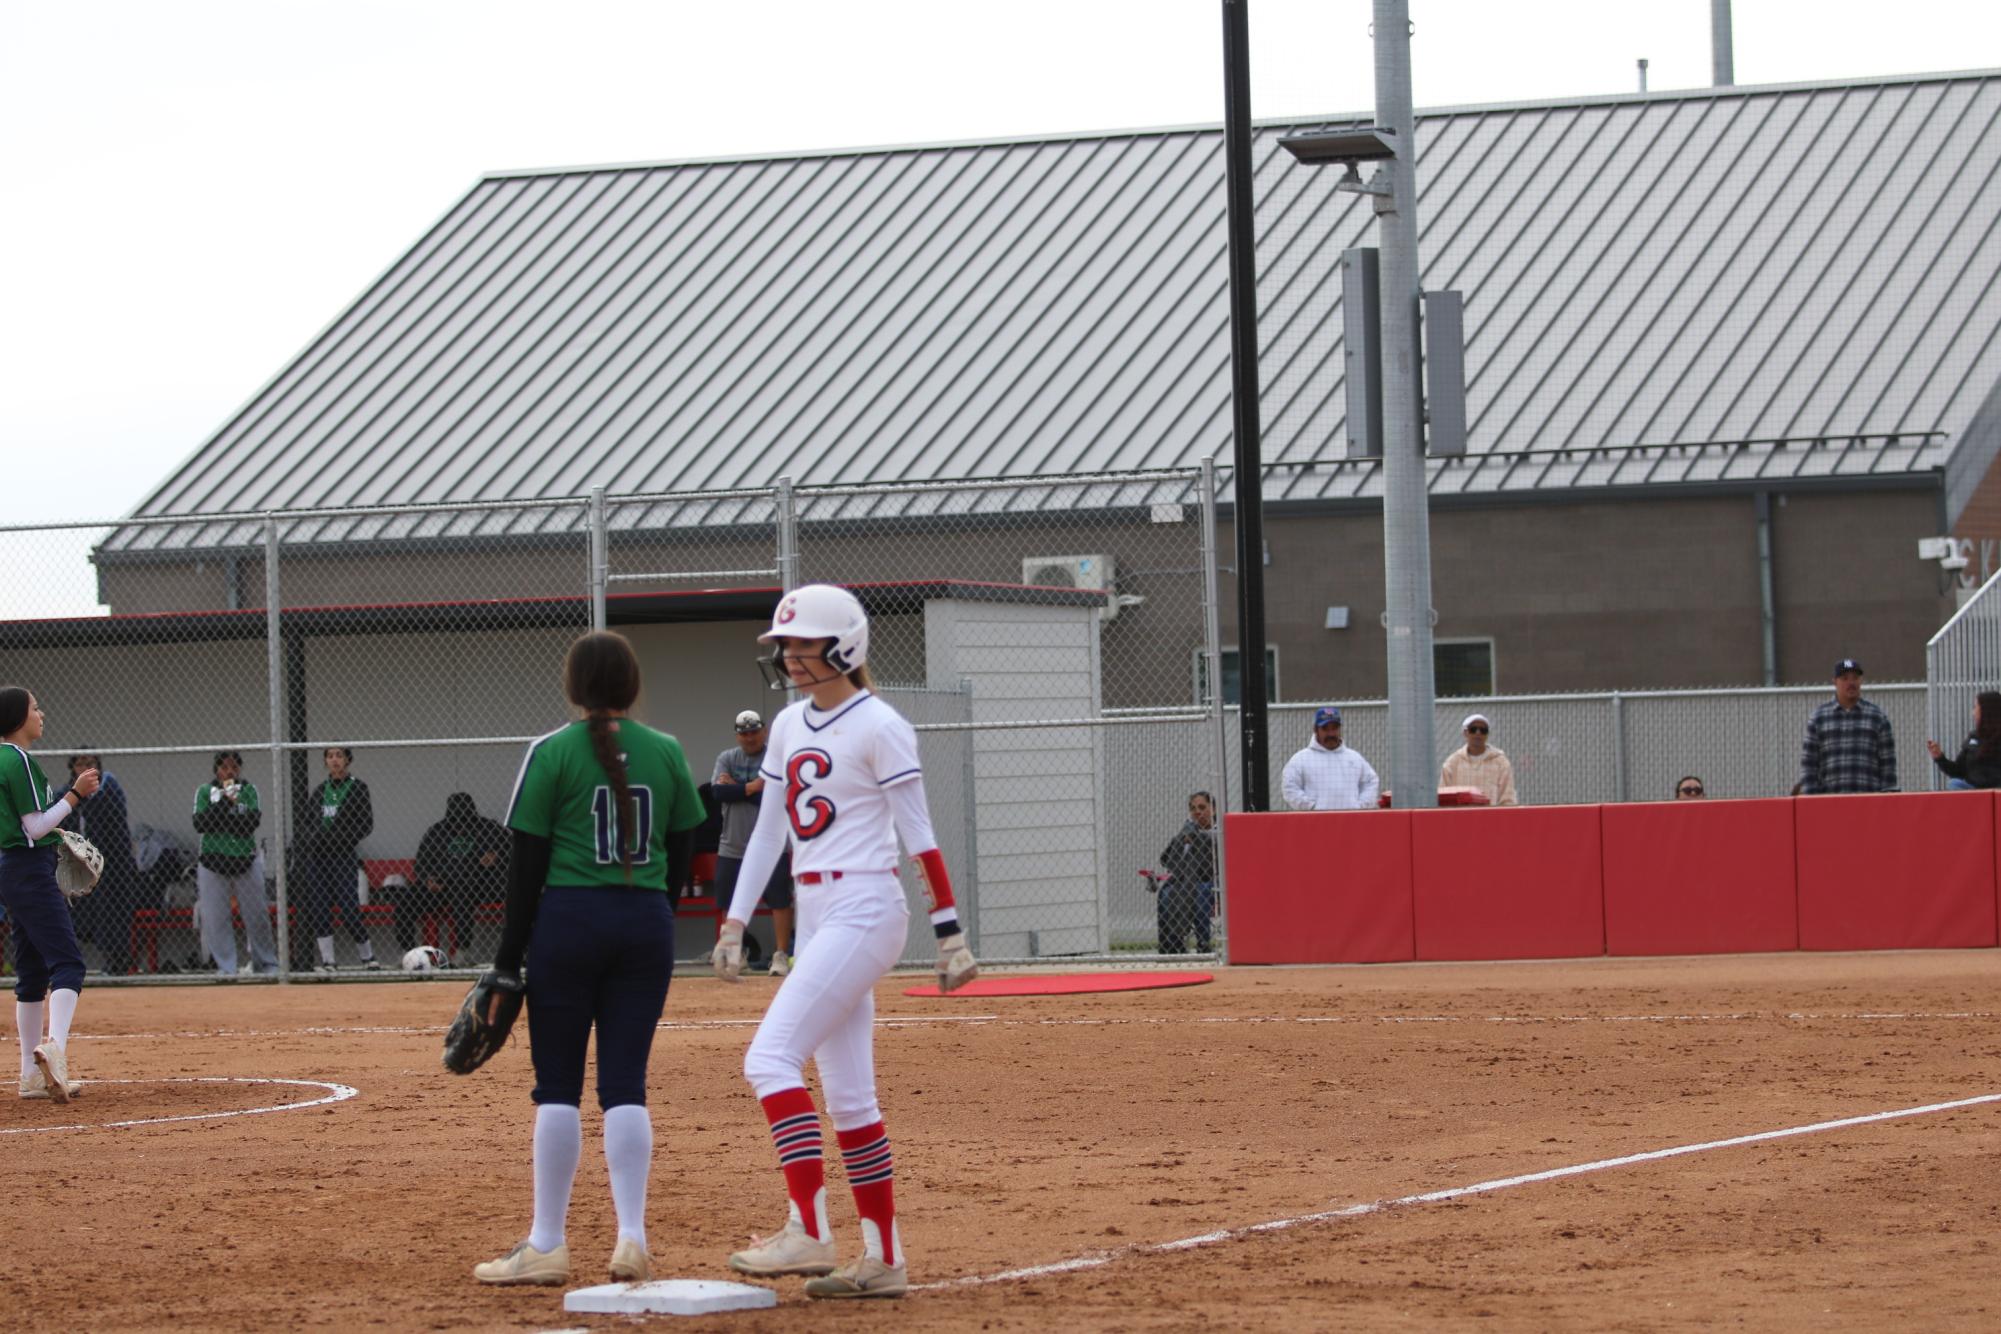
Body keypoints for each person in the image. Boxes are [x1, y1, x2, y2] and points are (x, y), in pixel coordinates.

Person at [711, 583, 980, 1300]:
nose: (790, 657)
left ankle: (807, 1226)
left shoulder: (880, 723)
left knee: (769, 1058)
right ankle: (883, 1257)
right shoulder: (788, 723)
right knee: (850, 1100)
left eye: (802, 645)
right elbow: (768, 831)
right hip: (820, 904)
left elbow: (917, 833)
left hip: (864, 901)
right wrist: (735, 920)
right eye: (785, 647)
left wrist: (948, 930)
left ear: (844, 648)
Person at [472, 630, 705, 1287]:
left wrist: (506, 963)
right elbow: (685, 845)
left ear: (573, 689)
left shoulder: (550, 752)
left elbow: (525, 868)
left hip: (569, 922)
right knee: (625, 1084)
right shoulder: (666, 751)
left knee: (558, 1089)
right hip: (644, 925)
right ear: (631, 688)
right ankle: (631, 1236)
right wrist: (651, 908)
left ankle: (547, 1243)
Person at [0, 687, 99, 1102]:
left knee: (31, 974)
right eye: (35, 707)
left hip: (9, 869)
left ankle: (29, 1075)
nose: (41, 713)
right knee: (69, 965)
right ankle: (54, 1053)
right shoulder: (16, 758)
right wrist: (75, 795)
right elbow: (35, 828)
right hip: (28, 868)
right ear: (19, 717)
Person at [713, 709, 795, 976]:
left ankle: (780, 955)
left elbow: (776, 796)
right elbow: (717, 792)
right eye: (744, 734)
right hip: (732, 844)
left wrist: (738, 787)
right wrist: (752, 787)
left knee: (780, 901)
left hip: (774, 844)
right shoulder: (726, 757)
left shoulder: (775, 756)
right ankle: (736, 952)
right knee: (729, 900)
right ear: (737, 736)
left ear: (764, 731)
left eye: (754, 732)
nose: (749, 738)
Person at [191, 751, 278, 976]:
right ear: (217, 770)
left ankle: (266, 963)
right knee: (216, 917)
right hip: (213, 860)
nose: (229, 771)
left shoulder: (248, 790)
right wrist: (224, 804)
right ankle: (226, 967)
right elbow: (201, 823)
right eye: (224, 767)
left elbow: (250, 823)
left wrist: (223, 818)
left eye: (233, 767)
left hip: (245, 860)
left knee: (257, 915)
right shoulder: (205, 791)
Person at [397, 793, 509, 965]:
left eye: (465, 821)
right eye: (457, 822)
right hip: (440, 888)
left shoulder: (489, 828)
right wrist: (428, 879)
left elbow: (513, 850)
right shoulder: (437, 831)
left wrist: (497, 857)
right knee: (405, 900)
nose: (461, 827)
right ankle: (409, 953)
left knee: (462, 893)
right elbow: (421, 863)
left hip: (476, 886)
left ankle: (461, 952)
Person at [64, 750, 142, 975]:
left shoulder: (108, 786)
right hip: (79, 865)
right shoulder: (69, 792)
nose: (86, 768)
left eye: (91, 763)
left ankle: (118, 963)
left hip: (111, 863)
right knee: (79, 914)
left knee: (113, 912)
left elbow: (103, 812)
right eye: (80, 764)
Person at [300, 746, 378, 972]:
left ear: (347, 760)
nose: (334, 760)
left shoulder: (357, 788)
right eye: (330, 756)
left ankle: (368, 957)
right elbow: (306, 824)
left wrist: (340, 838)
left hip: (342, 855)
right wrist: (316, 838)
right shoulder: (319, 791)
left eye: (339, 756)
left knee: (348, 908)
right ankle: (328, 961)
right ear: (325, 761)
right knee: (320, 908)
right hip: (319, 858)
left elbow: (365, 824)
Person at [1799, 659, 1899, 795]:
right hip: (1830, 802)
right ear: (1834, 681)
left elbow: (1888, 764)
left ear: (1861, 680)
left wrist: (1887, 796)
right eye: (1844, 678)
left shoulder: (1877, 717)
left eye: (1855, 678)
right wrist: (1811, 799)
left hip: (1868, 803)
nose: (1851, 683)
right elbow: (1809, 764)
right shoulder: (1819, 718)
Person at [1281, 706, 1380, 812]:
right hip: (1316, 823)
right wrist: (1311, 807)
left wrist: (1360, 807)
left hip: (1351, 823)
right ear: (1315, 730)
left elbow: (1371, 782)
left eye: (1334, 728)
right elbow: (1289, 788)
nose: (1331, 733)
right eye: (1325, 728)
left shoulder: (1354, 758)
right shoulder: (1301, 759)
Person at [1154, 791, 1217, 954]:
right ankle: (1171, 946)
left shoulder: (1219, 832)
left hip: (1210, 881)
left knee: (1200, 892)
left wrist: (1196, 839)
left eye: (1202, 807)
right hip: (1184, 880)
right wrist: (1181, 840)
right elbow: (1166, 858)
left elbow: (1210, 865)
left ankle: (1203, 944)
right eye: (1193, 808)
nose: (1197, 812)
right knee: (1166, 894)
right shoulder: (1187, 831)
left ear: (1213, 809)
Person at [1927, 690, 2001, 790]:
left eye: (1976, 707)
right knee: (1954, 784)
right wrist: (1940, 758)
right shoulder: (1973, 737)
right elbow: (1958, 771)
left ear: (1986, 710)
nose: (1973, 713)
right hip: (1975, 791)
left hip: (1997, 791)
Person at [1439, 713, 1518, 806]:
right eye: (1473, 729)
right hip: (1461, 817)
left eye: (1483, 730)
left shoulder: (1500, 762)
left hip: (1492, 817)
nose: (1478, 733)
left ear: (1487, 734)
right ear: (1465, 733)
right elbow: (1444, 799)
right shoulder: (1452, 763)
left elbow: (1507, 798)